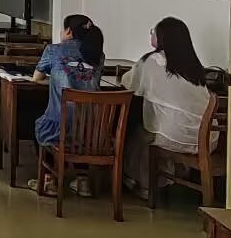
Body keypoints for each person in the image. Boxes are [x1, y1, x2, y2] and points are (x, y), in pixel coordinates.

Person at [121, 17, 214, 199]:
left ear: (161, 37)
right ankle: (166, 177)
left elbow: (128, 83)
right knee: (152, 125)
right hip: (206, 137)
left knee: (140, 131)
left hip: (172, 135)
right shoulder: (194, 65)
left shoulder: (152, 60)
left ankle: (144, 183)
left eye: (153, 32)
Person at [27, 14, 105, 196]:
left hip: (60, 128)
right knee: (79, 127)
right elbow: (94, 83)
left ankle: (49, 181)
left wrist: (56, 80)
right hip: (91, 131)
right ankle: (83, 181)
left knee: (41, 122)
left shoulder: (53, 50)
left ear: (68, 31)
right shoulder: (98, 55)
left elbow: (36, 78)